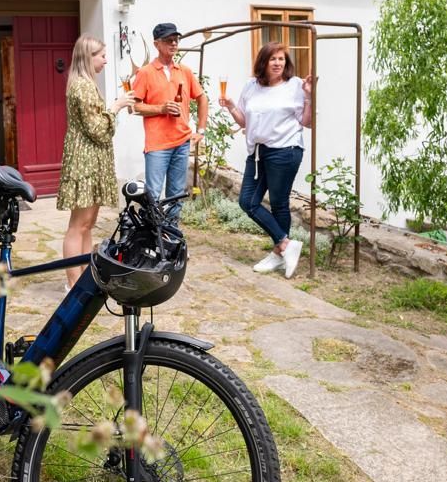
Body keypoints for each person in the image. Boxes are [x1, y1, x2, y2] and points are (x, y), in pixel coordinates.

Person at [220, 41, 316, 277]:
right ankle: (285, 246)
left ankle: (278, 254)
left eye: (281, 59)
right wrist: (231, 106)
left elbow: (307, 122)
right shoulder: (251, 86)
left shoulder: (295, 86)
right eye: (273, 59)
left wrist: (309, 97)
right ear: (263, 62)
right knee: (247, 201)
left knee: (279, 203)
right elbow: (245, 122)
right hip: (257, 152)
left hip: (285, 150)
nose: (277, 63)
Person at [58, 35, 135, 289]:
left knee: (87, 224)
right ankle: (72, 283)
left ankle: (83, 276)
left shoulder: (86, 83)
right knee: (78, 225)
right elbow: (97, 129)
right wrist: (116, 106)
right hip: (84, 161)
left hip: (93, 160)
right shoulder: (82, 86)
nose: (105, 60)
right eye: (101, 55)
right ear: (88, 57)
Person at [130, 22, 206, 222]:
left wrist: (201, 130)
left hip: (182, 142)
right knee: (153, 195)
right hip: (157, 145)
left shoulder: (185, 71)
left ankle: (171, 237)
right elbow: (134, 107)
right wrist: (161, 109)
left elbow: (202, 98)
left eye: (176, 40)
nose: (174, 44)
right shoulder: (145, 73)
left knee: (176, 195)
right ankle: (152, 238)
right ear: (157, 44)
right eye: (168, 40)